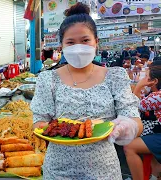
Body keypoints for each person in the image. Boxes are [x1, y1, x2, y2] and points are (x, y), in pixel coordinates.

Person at [30, 3, 142, 179]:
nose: (78, 47)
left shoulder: (115, 76)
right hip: (59, 170)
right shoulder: (48, 79)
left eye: (85, 40)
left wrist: (127, 127)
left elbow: (134, 118)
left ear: (96, 42)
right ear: (62, 46)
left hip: (104, 170)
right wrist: (54, 128)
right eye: (70, 42)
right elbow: (38, 122)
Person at [125, 59, 161, 180]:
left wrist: (139, 85)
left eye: (146, 77)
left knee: (129, 146)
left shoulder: (157, 97)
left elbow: (133, 107)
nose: (144, 79)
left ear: (154, 81)